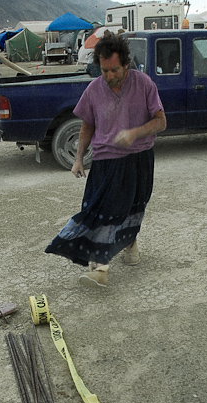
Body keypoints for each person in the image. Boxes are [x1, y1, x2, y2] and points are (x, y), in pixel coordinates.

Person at [45, 31, 167, 288]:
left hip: (140, 159)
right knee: (99, 211)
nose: (109, 76)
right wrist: (78, 158)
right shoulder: (93, 90)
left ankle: (130, 244)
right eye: (104, 71)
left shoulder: (144, 84)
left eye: (114, 70)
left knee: (133, 208)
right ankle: (99, 269)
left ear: (125, 63)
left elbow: (160, 121)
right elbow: (86, 127)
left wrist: (135, 132)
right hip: (106, 161)